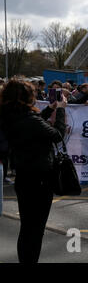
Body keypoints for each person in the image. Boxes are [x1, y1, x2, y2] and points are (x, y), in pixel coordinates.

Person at [0, 77, 67, 263]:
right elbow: (57, 135)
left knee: (27, 228)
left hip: (23, 176)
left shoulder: (10, 115)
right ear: (25, 98)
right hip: (39, 179)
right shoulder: (28, 119)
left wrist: (50, 109)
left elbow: (33, 123)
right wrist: (61, 111)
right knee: (35, 230)